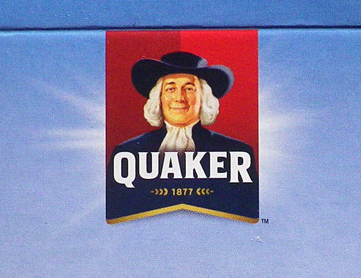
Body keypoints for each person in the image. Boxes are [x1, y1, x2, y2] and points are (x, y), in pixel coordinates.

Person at [106, 51, 258, 222]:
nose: (179, 98)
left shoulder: (236, 153)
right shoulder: (127, 153)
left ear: (204, 98)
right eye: (170, 89)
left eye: (189, 89)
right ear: (159, 98)